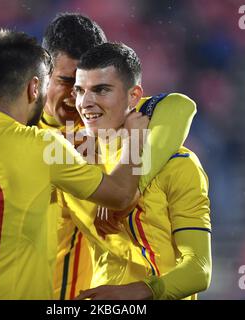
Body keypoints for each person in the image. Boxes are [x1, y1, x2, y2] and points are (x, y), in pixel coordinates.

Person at [0, 13, 198, 299]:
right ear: (41, 78)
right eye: (66, 82)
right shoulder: (23, 137)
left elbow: (178, 107)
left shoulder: (105, 122)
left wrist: (133, 180)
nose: (76, 97)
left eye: (87, 84)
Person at [60, 42, 212, 300]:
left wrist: (138, 292)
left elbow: (199, 270)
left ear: (134, 96)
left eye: (101, 90)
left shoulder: (177, 164)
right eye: (80, 91)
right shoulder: (71, 160)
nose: (86, 103)